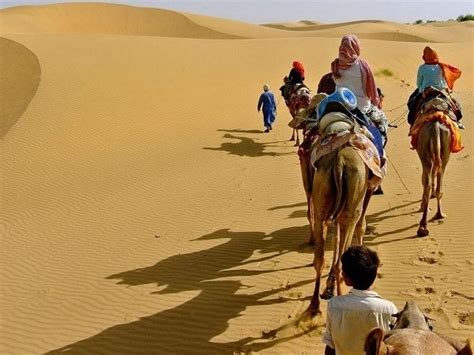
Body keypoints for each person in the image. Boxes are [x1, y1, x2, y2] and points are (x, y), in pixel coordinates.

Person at [323, 246, 398, 355]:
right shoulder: (389, 309)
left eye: (343, 271)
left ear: (347, 278)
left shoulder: (334, 305)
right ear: (374, 275)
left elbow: (330, 346)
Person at [331, 34, 388, 151]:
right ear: (355, 47)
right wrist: (375, 103)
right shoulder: (362, 65)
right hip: (361, 107)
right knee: (382, 121)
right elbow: (371, 89)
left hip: (337, 106)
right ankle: (380, 154)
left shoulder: (335, 65)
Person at [407, 46, 463, 128]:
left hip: (426, 90)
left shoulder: (422, 67)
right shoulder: (441, 67)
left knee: (412, 103)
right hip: (441, 90)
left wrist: (421, 88)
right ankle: (458, 121)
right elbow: (444, 80)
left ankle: (413, 122)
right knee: (454, 104)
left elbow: (419, 83)